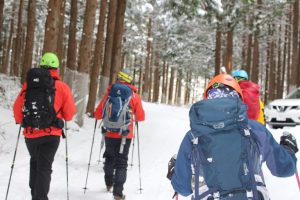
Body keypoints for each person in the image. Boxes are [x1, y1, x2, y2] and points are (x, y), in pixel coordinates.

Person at [170, 74, 297, 200]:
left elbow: (182, 188)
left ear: (208, 98)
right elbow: (284, 168)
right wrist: (288, 149)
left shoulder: (193, 136)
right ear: (239, 98)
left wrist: (176, 171)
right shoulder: (256, 129)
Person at [13, 52, 76, 200]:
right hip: (51, 135)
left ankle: (35, 195)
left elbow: (17, 107)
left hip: (31, 133)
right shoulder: (62, 87)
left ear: (41, 65)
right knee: (44, 167)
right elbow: (69, 114)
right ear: (56, 68)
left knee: (35, 162)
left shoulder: (29, 84)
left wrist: (22, 121)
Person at [94, 69, 145, 200]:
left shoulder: (110, 94)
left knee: (109, 157)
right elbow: (140, 117)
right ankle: (118, 193)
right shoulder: (134, 96)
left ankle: (108, 183)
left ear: (118, 79)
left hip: (109, 133)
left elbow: (98, 114)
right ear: (130, 80)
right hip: (125, 135)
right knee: (121, 163)